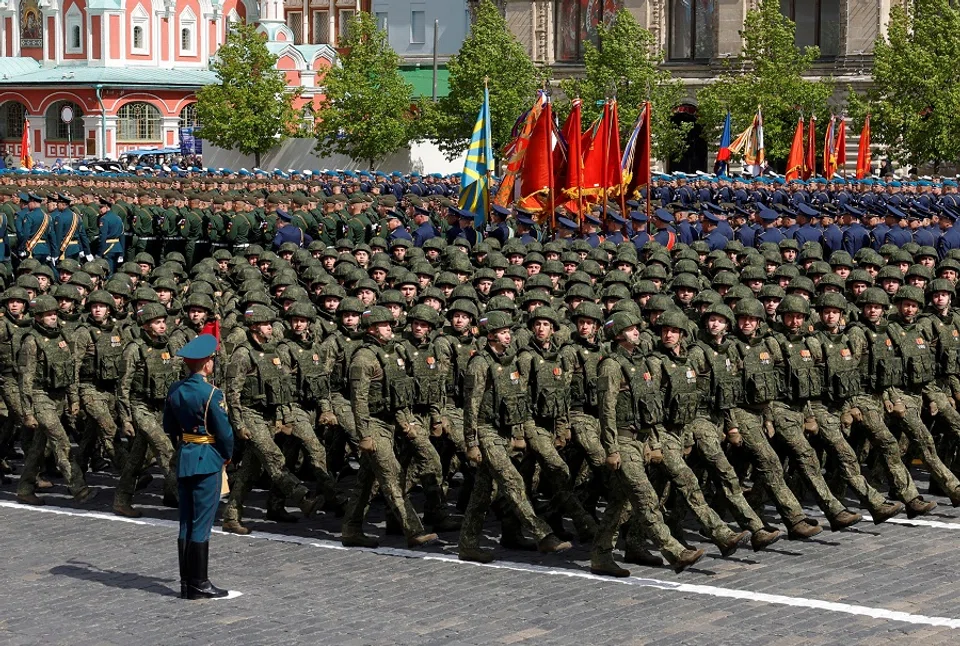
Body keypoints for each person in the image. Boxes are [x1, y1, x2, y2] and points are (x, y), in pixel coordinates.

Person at [165, 333, 234, 600]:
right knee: (202, 524)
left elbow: (168, 427)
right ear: (206, 364)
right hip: (208, 458)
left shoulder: (175, 390)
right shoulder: (212, 393)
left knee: (185, 523)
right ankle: (200, 583)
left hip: (186, 455)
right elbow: (225, 433)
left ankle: (186, 583)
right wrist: (226, 455)